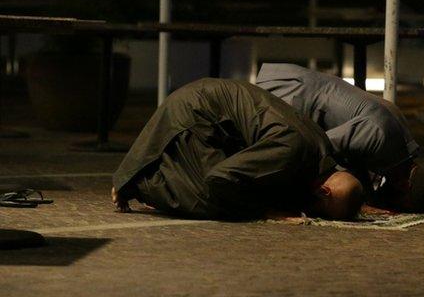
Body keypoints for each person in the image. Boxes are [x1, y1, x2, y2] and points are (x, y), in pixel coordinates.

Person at [111, 78, 364, 220]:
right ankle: (137, 183)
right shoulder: (293, 149)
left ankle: (138, 176)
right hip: (197, 114)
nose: (316, 213)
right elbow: (220, 179)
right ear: (325, 191)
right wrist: (268, 213)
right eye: (322, 211)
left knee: (242, 189)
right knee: (210, 200)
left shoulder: (320, 151)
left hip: (212, 111)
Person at [256, 63, 424, 213]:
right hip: (289, 94)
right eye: (402, 204)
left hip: (300, 89)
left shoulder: (399, 145)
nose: (396, 206)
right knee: (293, 156)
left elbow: (356, 155)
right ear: (405, 185)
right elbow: (318, 146)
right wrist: (356, 203)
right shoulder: (380, 134)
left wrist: (364, 196)